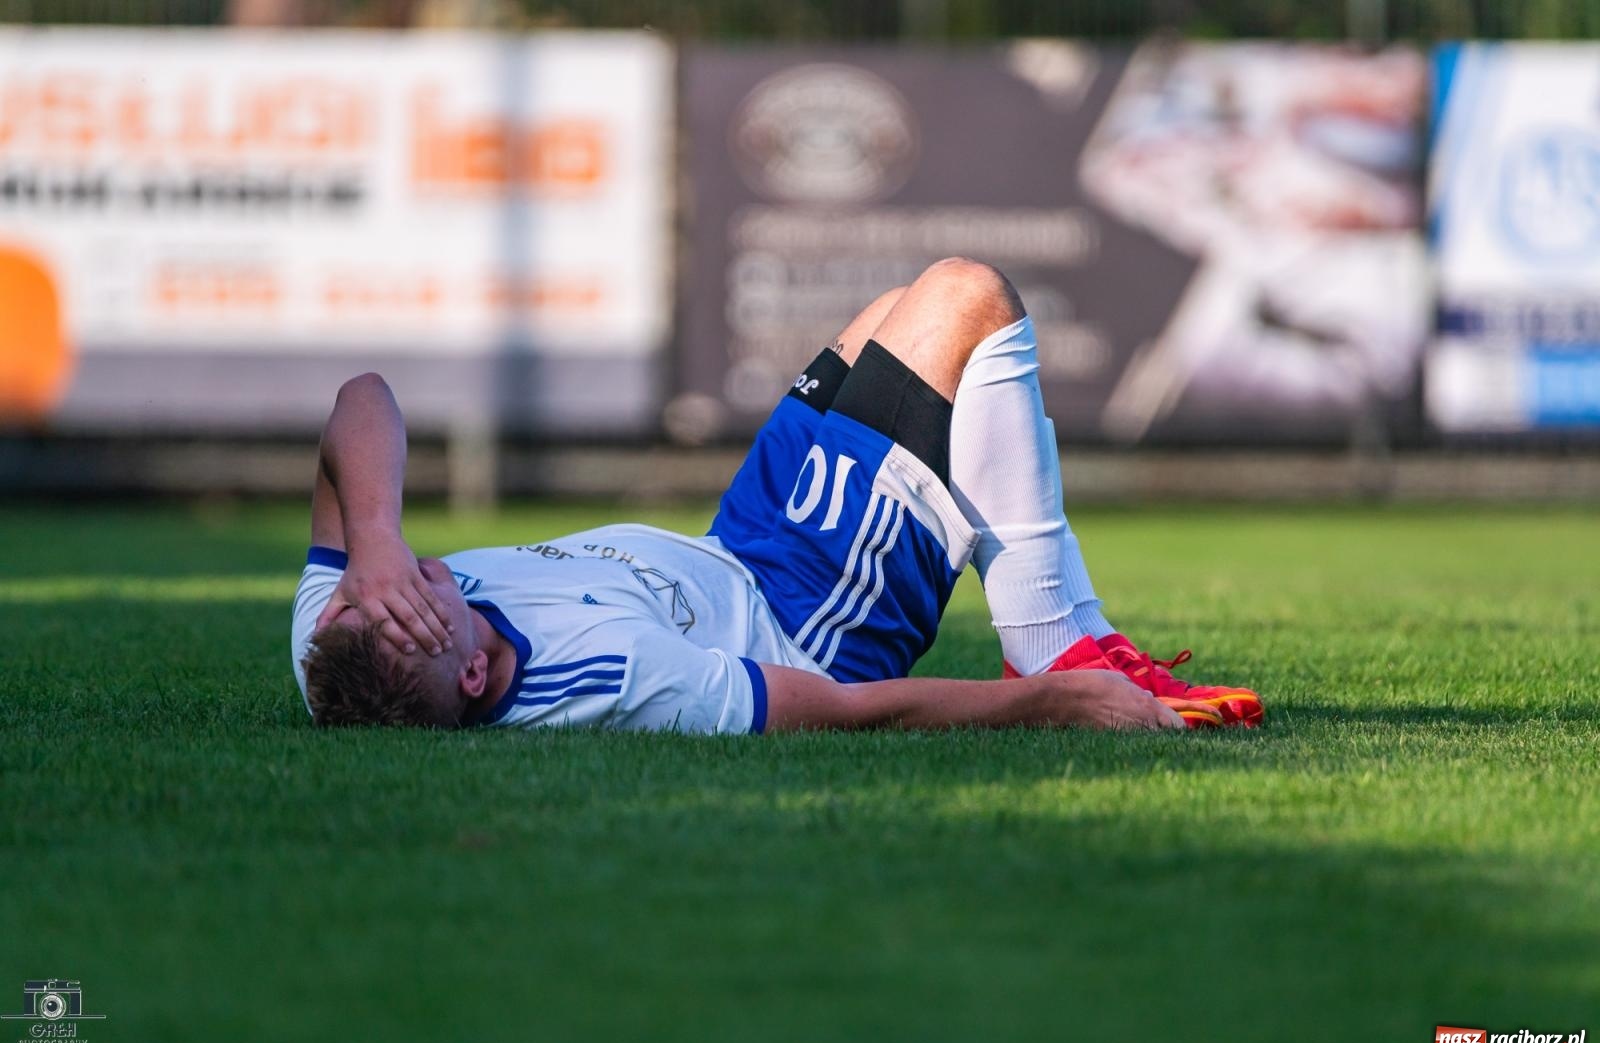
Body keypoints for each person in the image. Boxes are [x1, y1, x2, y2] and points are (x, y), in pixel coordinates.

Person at [292, 258, 1263, 733]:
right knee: (967, 295)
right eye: (416, 595)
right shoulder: (612, 682)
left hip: (738, 540)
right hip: (806, 611)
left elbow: (359, 400)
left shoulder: (338, 642)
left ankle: (1052, 624)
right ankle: (1059, 641)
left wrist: (370, 538)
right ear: (471, 675)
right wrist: (1045, 702)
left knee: (890, 316)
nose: (410, 574)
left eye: (372, 585)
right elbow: (831, 708)